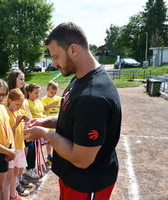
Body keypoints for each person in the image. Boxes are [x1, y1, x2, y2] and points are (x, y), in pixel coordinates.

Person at [24, 22, 121, 200]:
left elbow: (81, 159)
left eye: (55, 56)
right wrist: (45, 122)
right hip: (73, 178)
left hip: (87, 183)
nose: (53, 63)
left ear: (73, 49)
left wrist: (45, 133)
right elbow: (72, 119)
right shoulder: (79, 79)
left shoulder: (93, 97)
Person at [8, 70, 33, 193]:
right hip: (15, 136)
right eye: (21, 79)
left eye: (24, 79)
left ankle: (19, 179)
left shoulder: (23, 94)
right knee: (15, 164)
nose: (23, 81)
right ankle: (15, 185)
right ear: (14, 79)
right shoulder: (10, 96)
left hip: (23, 132)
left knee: (22, 159)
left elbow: (25, 111)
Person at [3, 88, 30, 200]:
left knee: (15, 174)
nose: (19, 107)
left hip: (19, 147)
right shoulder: (6, 114)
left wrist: (27, 123)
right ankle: (7, 196)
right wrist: (17, 123)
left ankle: (13, 195)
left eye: (21, 104)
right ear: (9, 100)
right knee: (8, 178)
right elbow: (7, 134)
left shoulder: (20, 112)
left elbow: (24, 130)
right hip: (11, 150)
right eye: (17, 104)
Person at [41, 81, 61, 165]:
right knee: (48, 142)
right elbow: (44, 109)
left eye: (55, 92)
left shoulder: (59, 98)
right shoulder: (44, 99)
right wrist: (52, 104)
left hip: (57, 124)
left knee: (57, 141)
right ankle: (49, 156)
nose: (53, 94)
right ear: (47, 89)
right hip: (48, 124)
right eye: (51, 92)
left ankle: (57, 156)